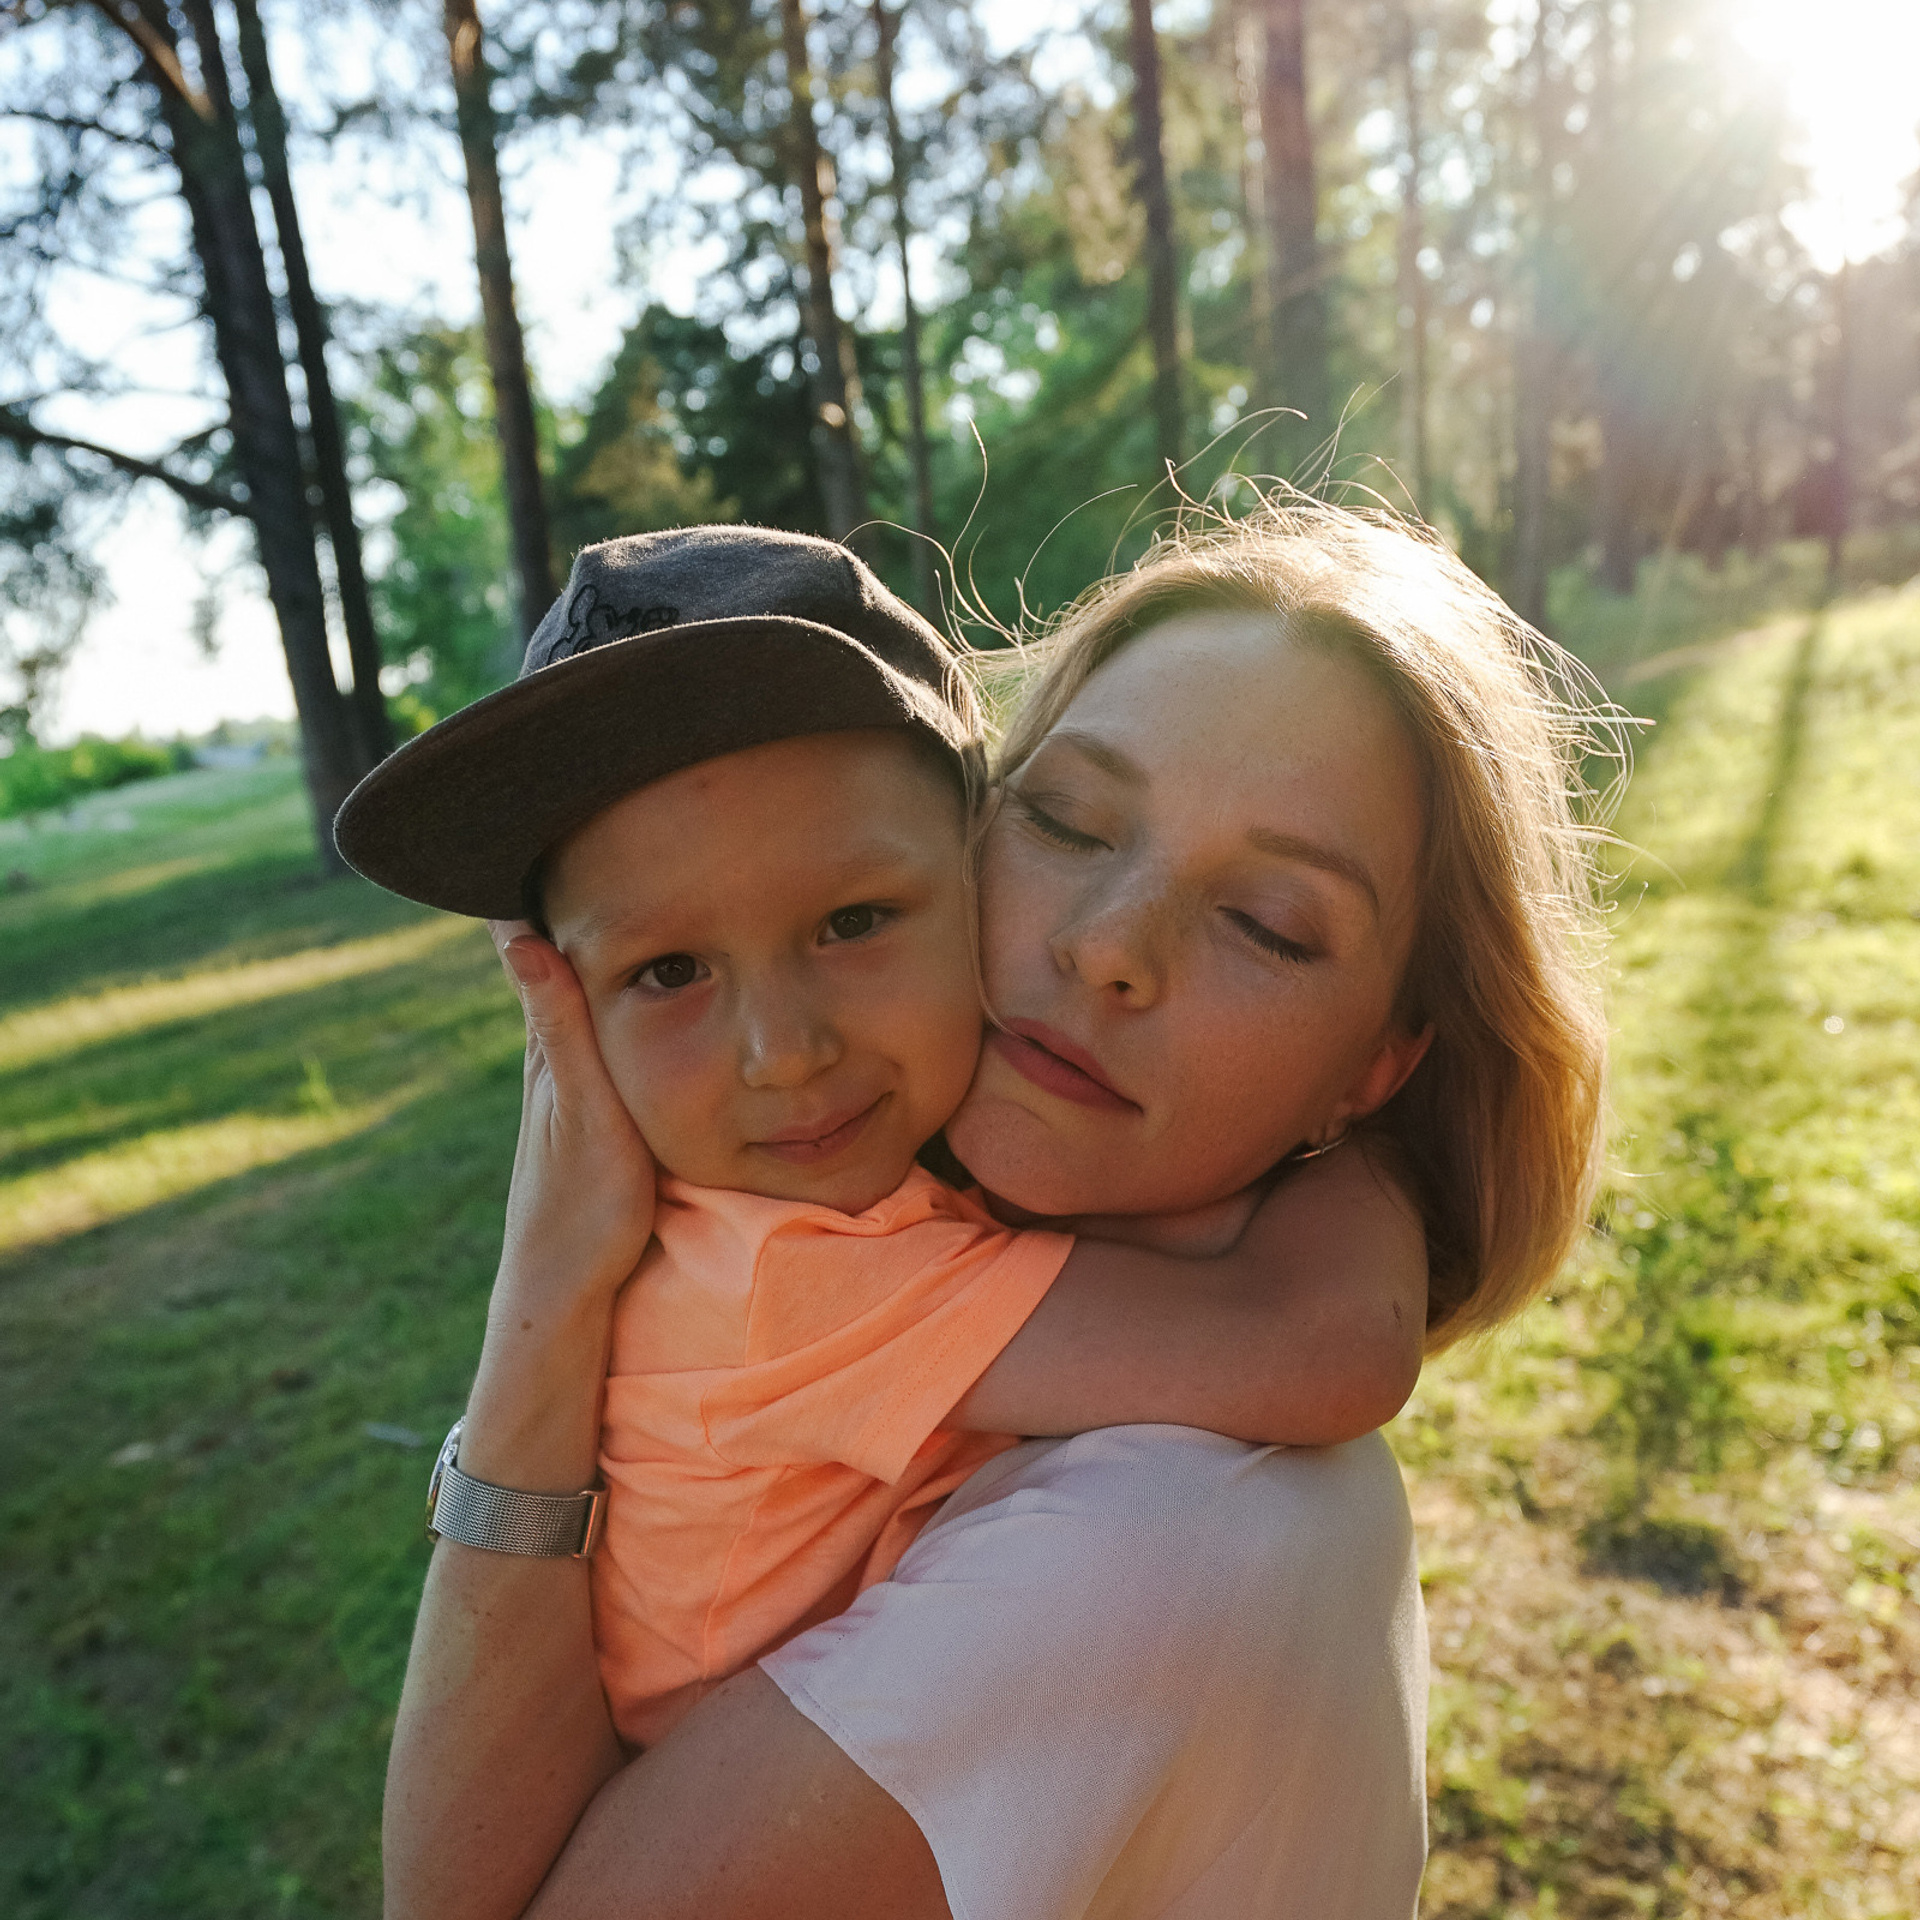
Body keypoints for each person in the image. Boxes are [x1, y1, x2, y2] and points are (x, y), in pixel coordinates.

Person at [374, 501, 1611, 1920]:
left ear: (1378, 1068)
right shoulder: (846, 1248)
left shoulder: (1132, 1549)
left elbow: (1318, 1340)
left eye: (1267, 921)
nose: (1105, 950)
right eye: (1071, 822)